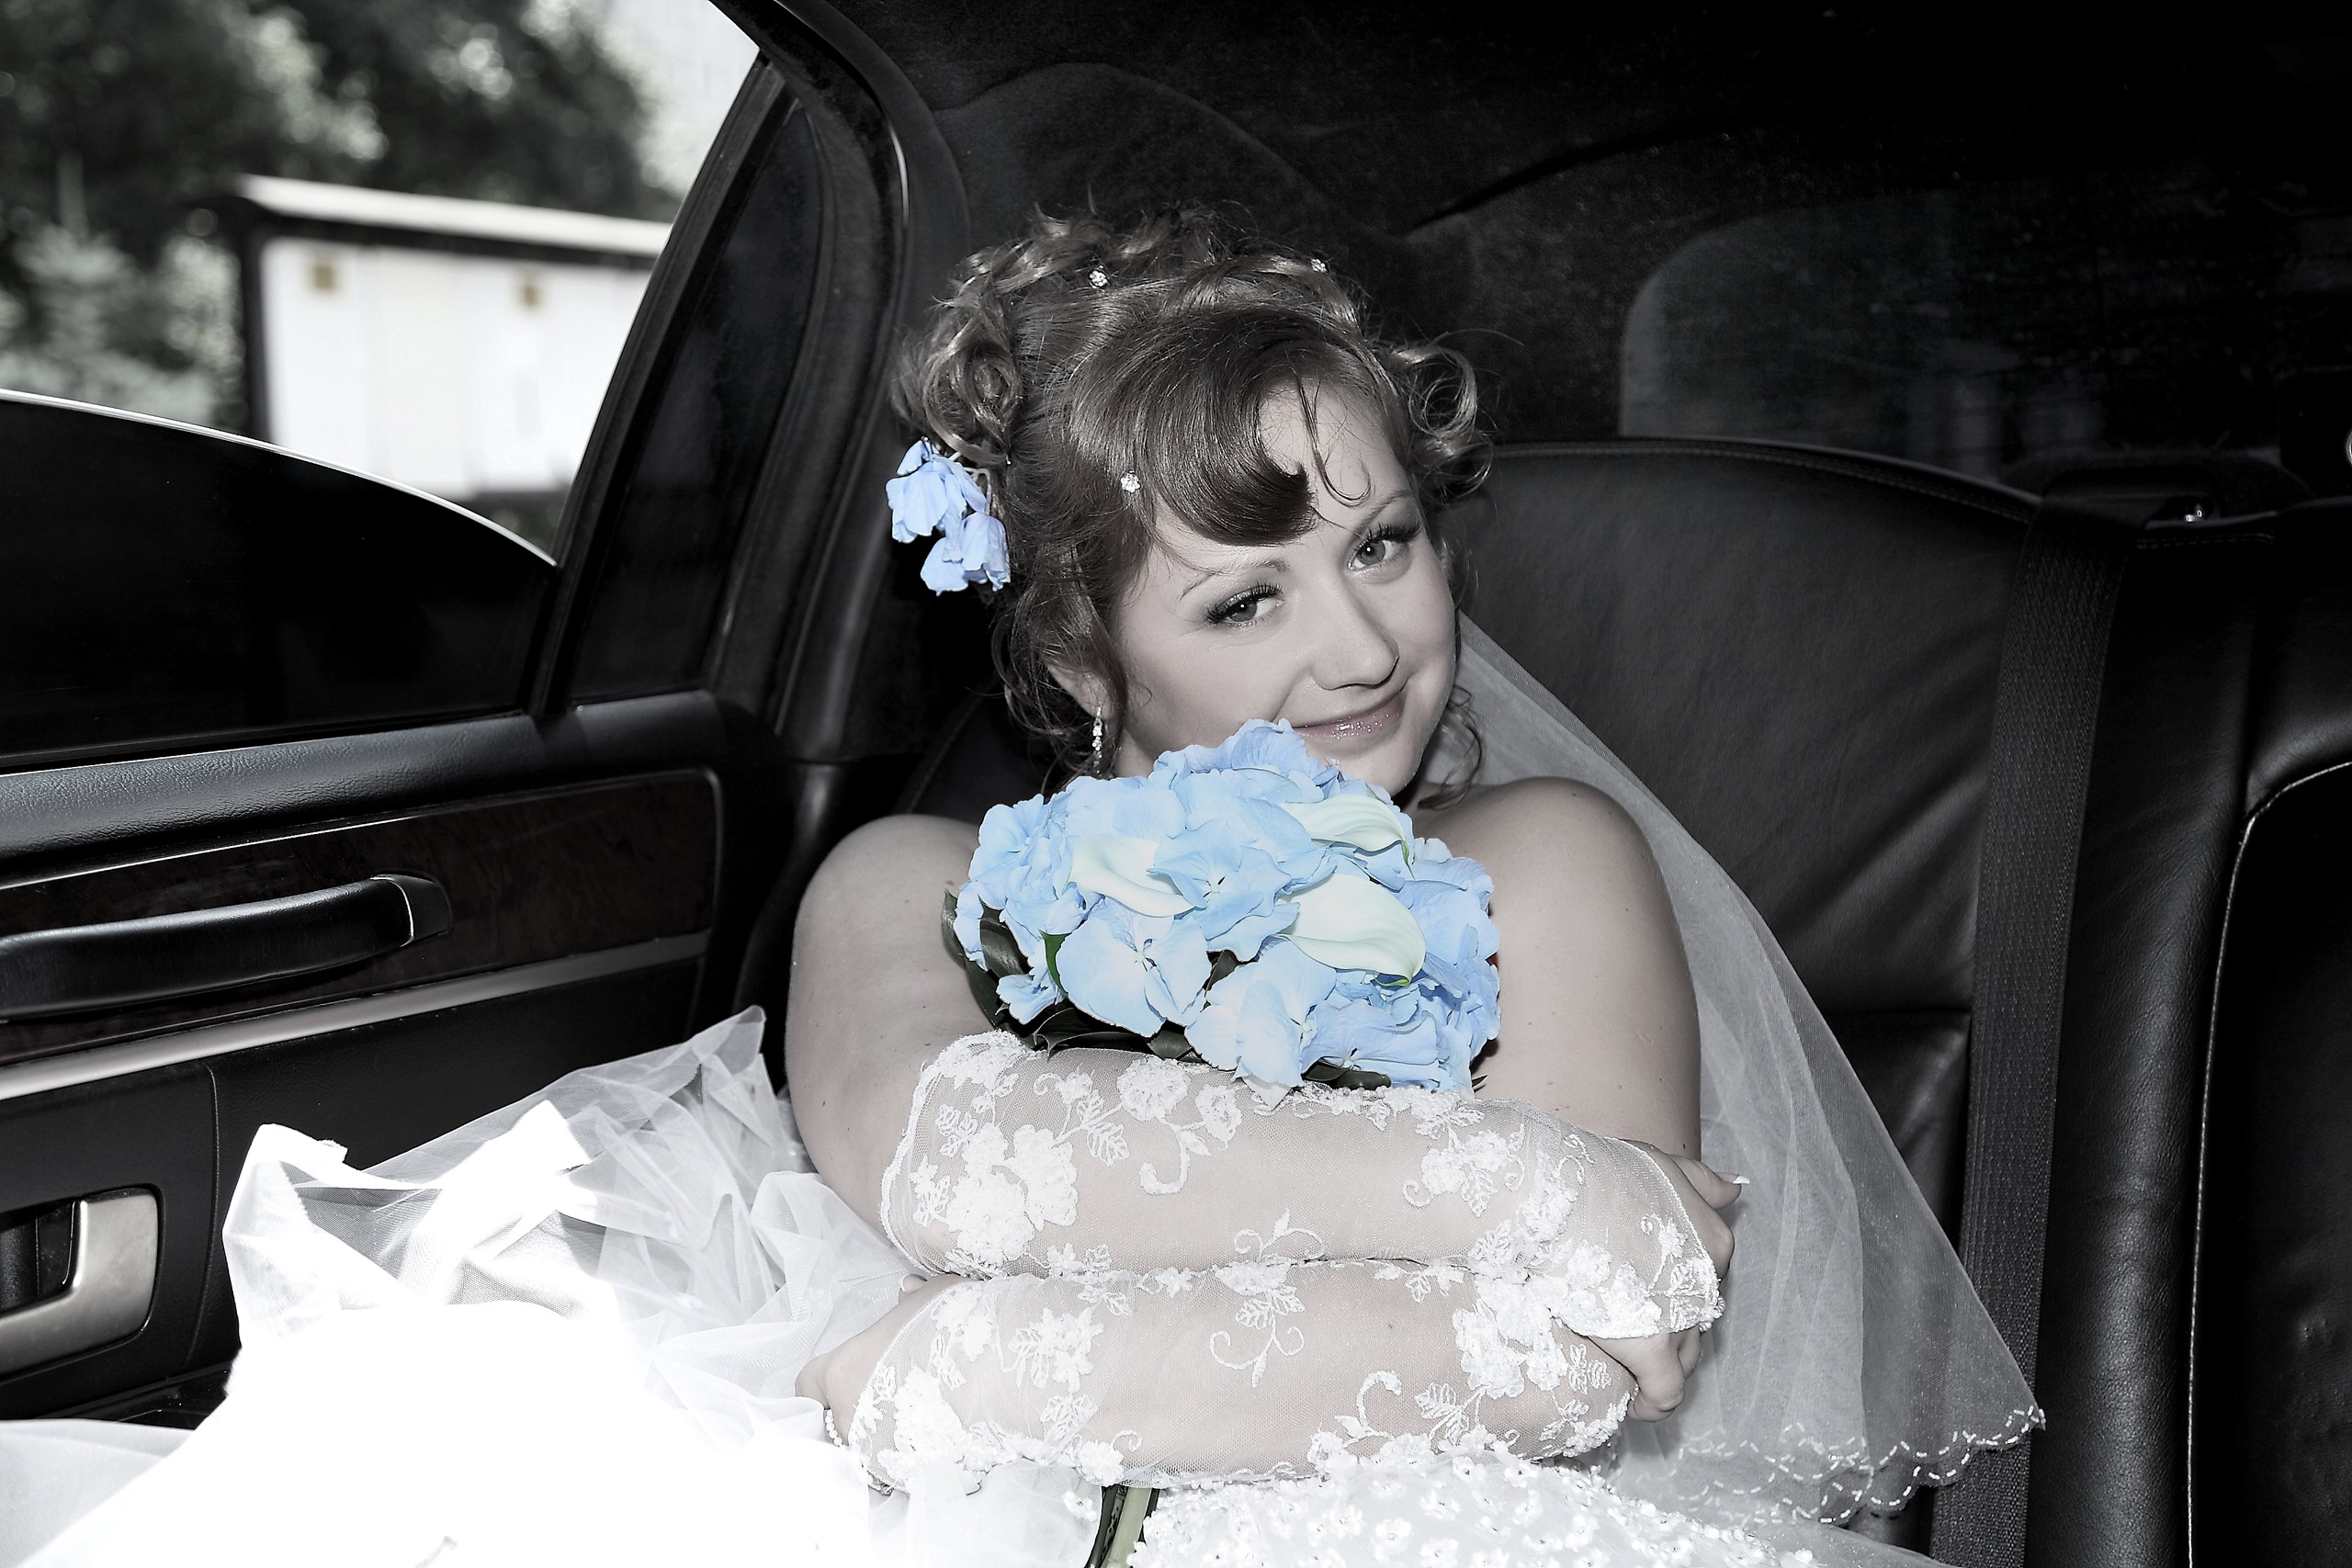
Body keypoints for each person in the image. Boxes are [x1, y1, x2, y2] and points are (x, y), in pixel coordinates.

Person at [781, 209, 2035, 1552]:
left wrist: (961, 1370)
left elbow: (1578, 1354)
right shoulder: (908, 882)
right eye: (1245, 600)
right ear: (1084, 660)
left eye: (1380, 544)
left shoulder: (1542, 861)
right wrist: (1535, 1188)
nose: (1365, 651)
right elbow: (962, 1165)